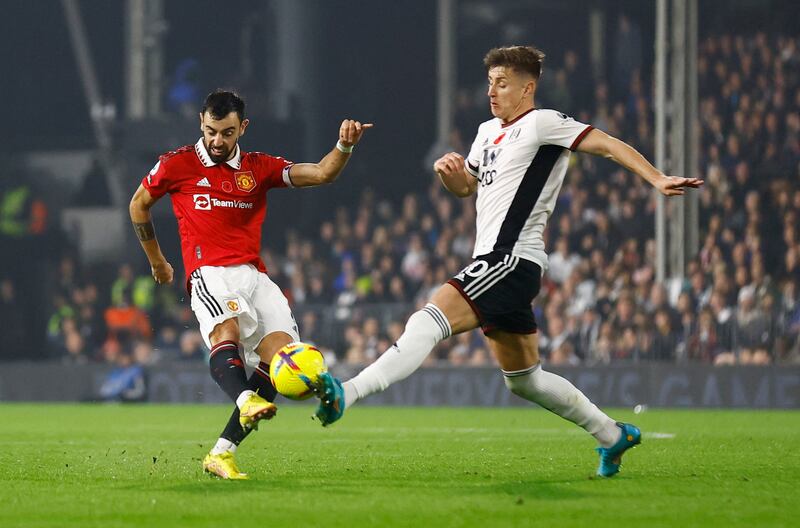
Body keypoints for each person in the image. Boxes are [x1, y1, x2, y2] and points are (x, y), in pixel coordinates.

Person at [315, 46, 703, 477]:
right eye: (489, 83)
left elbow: (608, 145)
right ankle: (613, 435)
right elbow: (468, 189)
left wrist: (657, 178)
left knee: (427, 320)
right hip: (498, 263)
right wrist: (452, 177)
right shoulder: (485, 132)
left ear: (527, 87)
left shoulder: (543, 123)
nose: (492, 92)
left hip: (511, 259)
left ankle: (346, 393)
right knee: (523, 379)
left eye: (502, 83)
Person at [129, 90, 371, 479]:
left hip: (254, 276)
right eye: (210, 131)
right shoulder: (178, 164)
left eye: (226, 133)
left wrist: (344, 144)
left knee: (281, 361)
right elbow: (138, 203)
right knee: (227, 330)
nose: (217, 141)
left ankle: (221, 454)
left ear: (242, 127)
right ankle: (243, 398)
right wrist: (157, 260)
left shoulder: (259, 168)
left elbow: (324, 173)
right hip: (209, 273)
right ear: (201, 124)